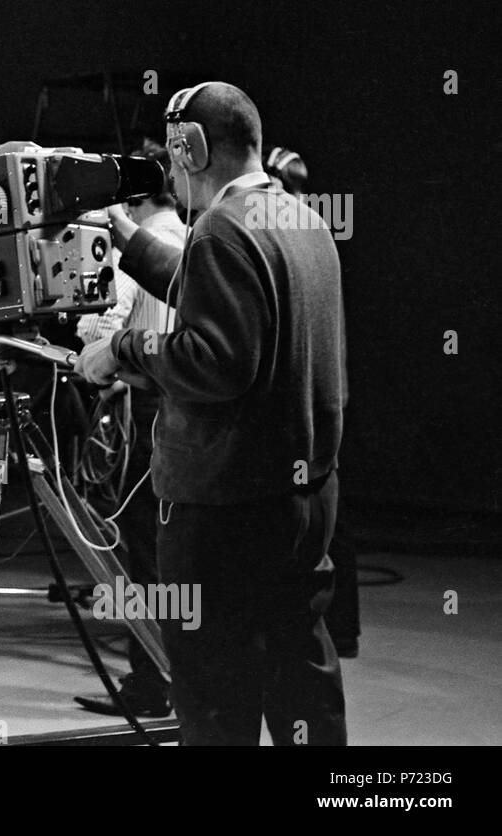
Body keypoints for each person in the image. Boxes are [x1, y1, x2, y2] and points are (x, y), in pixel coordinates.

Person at [77, 81, 347, 745]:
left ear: (190, 148)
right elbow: (222, 293)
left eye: (173, 155)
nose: (169, 171)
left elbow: (216, 361)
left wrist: (120, 348)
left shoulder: (220, 230)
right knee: (300, 676)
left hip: (225, 508)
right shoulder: (295, 218)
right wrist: (132, 242)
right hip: (303, 497)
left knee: (217, 697)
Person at [71, 139, 186, 718]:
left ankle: (153, 683)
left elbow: (109, 332)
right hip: (173, 411)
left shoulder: (145, 247)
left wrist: (93, 347)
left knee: (144, 555)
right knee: (161, 553)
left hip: (149, 412)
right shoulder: (188, 236)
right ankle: (166, 677)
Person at [265, 144, 361, 658]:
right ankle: (340, 631)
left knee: (319, 527)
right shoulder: (315, 232)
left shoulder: (292, 233)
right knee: (331, 519)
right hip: (330, 394)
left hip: (311, 395)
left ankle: (329, 629)